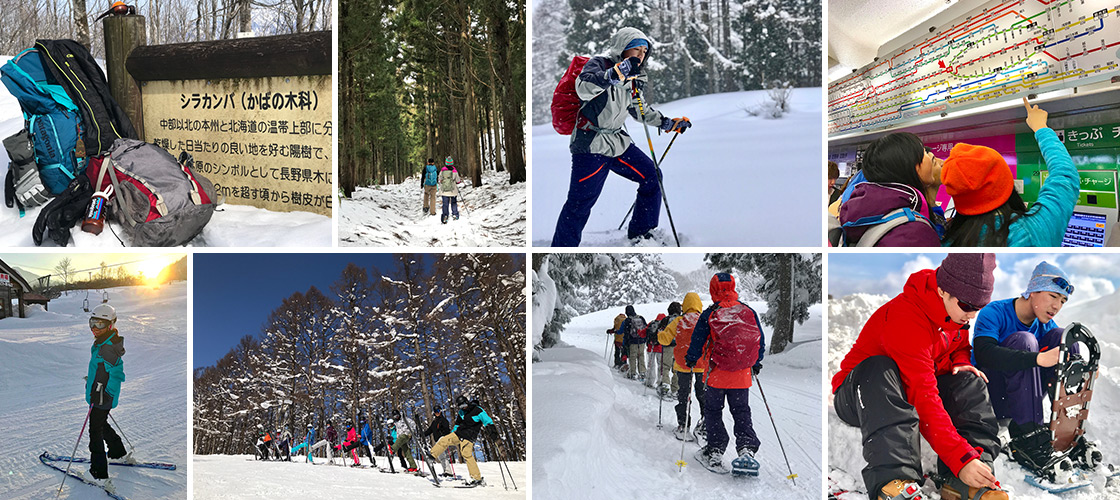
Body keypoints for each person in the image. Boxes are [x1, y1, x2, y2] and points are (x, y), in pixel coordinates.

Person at [832, 253, 1007, 500]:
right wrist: (959, 457)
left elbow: (958, 347)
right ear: (942, 291)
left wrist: (960, 363)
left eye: (979, 307)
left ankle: (972, 478)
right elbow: (922, 396)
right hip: (862, 392)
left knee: (971, 383)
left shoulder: (955, 314)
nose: (972, 315)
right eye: (967, 306)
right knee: (880, 367)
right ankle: (894, 479)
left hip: (905, 386)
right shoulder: (906, 317)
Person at [550, 27, 692, 246]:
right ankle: (561, 249)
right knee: (579, 204)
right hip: (591, 145)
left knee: (652, 177)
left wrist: (667, 123)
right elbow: (583, 88)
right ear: (623, 48)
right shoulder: (599, 64)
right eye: (637, 50)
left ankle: (641, 233)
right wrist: (614, 74)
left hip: (618, 144)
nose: (641, 55)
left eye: (645, 51)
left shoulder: (634, 77)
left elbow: (639, 109)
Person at [972, 261, 1090, 469]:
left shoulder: (1046, 325)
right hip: (990, 399)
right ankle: (1028, 434)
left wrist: (1084, 369)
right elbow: (983, 354)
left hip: (1020, 401)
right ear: (1033, 291)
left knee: (1063, 338)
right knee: (1024, 341)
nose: (1057, 306)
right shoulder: (995, 311)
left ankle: (1066, 430)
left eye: (1063, 301)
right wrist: (1036, 359)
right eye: (1053, 296)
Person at [941, 98, 1078, 246]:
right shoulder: (1032, 230)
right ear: (1006, 184)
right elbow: (1065, 175)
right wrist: (1040, 127)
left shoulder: (948, 240)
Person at [685, 274, 765, 476]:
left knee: (713, 411)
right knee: (741, 411)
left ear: (713, 290)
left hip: (717, 374)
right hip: (741, 376)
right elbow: (759, 340)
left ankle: (715, 450)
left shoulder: (711, 313)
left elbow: (698, 339)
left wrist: (692, 358)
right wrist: (756, 362)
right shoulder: (747, 310)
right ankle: (746, 448)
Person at [838, 132, 945, 246]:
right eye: (924, 152)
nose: (932, 157)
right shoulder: (912, 232)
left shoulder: (871, 211)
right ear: (909, 165)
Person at [85, 304, 128, 486]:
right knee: (101, 424)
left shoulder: (107, 347)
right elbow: (102, 368)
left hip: (103, 396)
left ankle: (99, 473)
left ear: (110, 325)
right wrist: (92, 379)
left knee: (95, 431)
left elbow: (117, 373)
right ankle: (118, 452)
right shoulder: (102, 342)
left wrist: (106, 392)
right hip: (99, 393)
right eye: (92, 323)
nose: (95, 328)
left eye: (100, 324)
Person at [660, 293, 705, 441]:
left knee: (684, 395)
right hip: (702, 365)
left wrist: (659, 334)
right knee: (703, 395)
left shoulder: (679, 320)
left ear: (684, 305)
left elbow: (665, 340)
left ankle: (683, 425)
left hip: (683, 364)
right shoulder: (705, 320)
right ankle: (705, 425)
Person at [428, 395, 494, 487]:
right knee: (444, 440)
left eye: (463, 405)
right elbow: (457, 423)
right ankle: (431, 456)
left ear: (467, 402)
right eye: (460, 406)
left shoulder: (477, 410)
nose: (463, 408)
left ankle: (476, 478)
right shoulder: (461, 412)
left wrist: (492, 430)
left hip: (469, 436)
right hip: (459, 433)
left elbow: (487, 420)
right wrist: (452, 432)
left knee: (466, 454)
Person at [422, 405, 454, 476]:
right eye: (436, 412)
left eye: (438, 411)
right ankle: (448, 471)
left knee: (441, 455)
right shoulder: (434, 422)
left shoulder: (443, 420)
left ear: (441, 411)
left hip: (442, 439)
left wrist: (445, 434)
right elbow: (430, 430)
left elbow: (447, 430)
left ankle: (447, 471)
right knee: (441, 456)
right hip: (437, 440)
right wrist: (423, 434)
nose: (437, 413)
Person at [619, 305, 648, 380]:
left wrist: (625, 344)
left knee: (633, 357)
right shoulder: (641, 318)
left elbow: (626, 333)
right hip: (641, 341)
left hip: (633, 342)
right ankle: (642, 372)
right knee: (641, 356)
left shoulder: (627, 321)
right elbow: (646, 328)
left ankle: (633, 373)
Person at [645, 313, 667, 388]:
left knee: (651, 365)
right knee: (660, 366)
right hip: (660, 348)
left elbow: (644, 333)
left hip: (651, 347)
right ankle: (660, 382)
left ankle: (649, 381)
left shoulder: (651, 323)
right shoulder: (664, 325)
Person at [437, 156, 461, 224]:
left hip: (444, 190)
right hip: (453, 190)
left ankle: (445, 216)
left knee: (445, 204)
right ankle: (455, 215)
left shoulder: (442, 170)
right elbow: (458, 181)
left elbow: (440, 179)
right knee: (453, 202)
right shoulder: (454, 170)